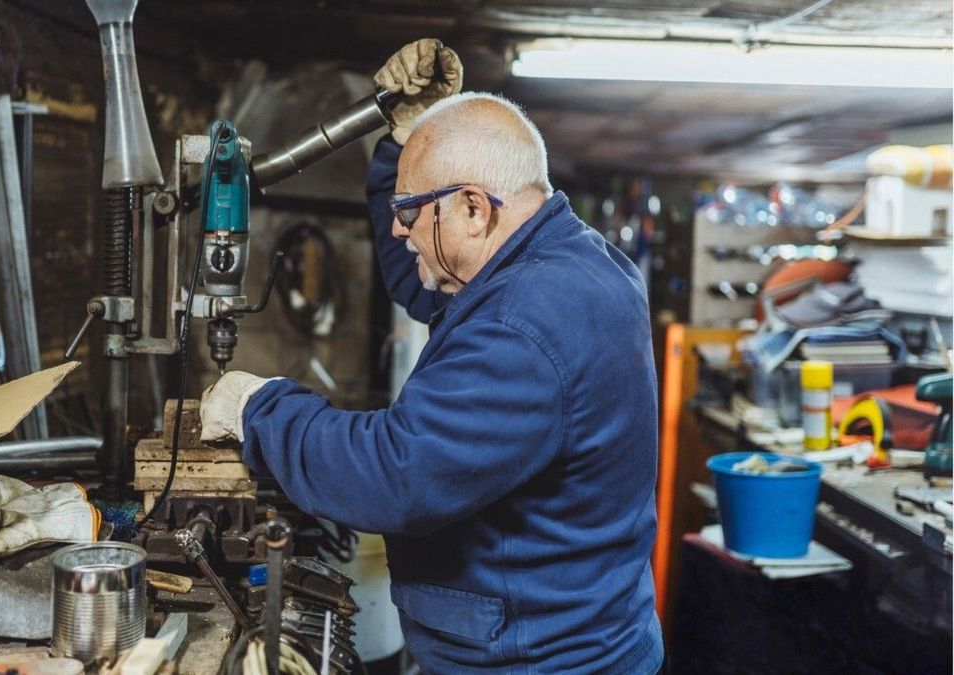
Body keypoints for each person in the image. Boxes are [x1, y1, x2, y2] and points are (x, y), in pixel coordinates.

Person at [200, 39, 663, 673]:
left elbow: (398, 474)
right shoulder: (569, 259)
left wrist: (260, 408)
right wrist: (409, 136)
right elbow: (425, 277)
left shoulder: (525, 322)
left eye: (410, 210)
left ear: (474, 207)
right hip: (563, 633)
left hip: (535, 661)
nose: (396, 230)